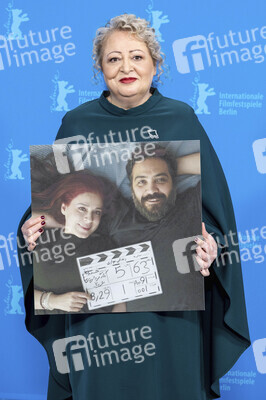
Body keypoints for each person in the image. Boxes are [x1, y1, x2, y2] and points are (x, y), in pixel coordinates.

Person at [18, 13, 250, 400]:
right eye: (113, 59)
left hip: (172, 314)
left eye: (137, 57)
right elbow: (48, 205)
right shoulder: (77, 122)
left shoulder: (181, 119)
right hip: (98, 316)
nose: (126, 67)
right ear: (100, 68)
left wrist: (213, 250)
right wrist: (31, 231)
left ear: (155, 64)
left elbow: (215, 215)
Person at [29, 165, 125, 314]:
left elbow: (121, 299)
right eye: (82, 209)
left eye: (97, 212)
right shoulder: (38, 237)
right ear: (64, 207)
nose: (89, 219)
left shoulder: (104, 245)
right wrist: (52, 300)